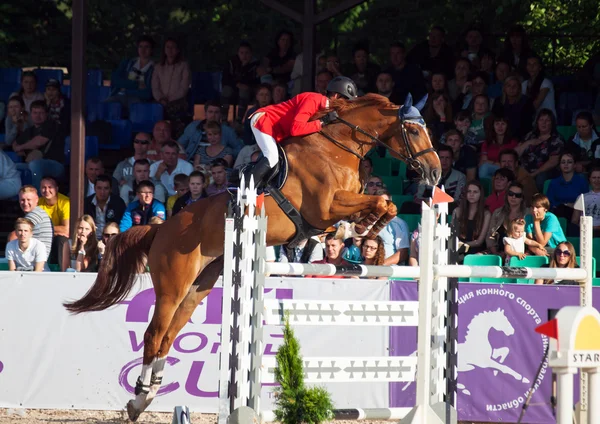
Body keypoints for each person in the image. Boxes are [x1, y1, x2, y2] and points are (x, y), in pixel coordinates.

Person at [248, 76, 358, 188]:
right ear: (336, 96)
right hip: (265, 120)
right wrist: (322, 122)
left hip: (276, 130)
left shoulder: (324, 110)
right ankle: (245, 190)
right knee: (271, 157)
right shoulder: (314, 100)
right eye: (346, 102)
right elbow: (296, 129)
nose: (346, 108)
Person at [13, 100, 65, 189]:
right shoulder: (30, 130)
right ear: (31, 114)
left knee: (35, 164)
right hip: (34, 162)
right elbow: (15, 144)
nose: (37, 116)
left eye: (41, 113)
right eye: (35, 113)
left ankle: (37, 198)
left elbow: (38, 142)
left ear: (46, 114)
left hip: (56, 164)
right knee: (13, 167)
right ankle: (15, 196)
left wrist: (21, 148)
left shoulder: (51, 125)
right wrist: (22, 150)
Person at [516, 108, 564, 191]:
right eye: (541, 120)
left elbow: (553, 162)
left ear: (552, 123)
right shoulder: (531, 135)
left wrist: (534, 174)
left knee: (540, 178)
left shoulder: (556, 139)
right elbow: (514, 153)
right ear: (537, 122)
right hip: (523, 170)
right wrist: (528, 143)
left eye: (547, 120)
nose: (543, 123)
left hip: (541, 172)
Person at [107, 35, 155, 115]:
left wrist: (125, 87)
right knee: (103, 106)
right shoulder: (127, 63)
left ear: (151, 50)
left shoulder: (154, 68)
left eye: (147, 47)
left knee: (135, 111)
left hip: (138, 100)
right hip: (119, 96)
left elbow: (147, 94)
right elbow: (115, 80)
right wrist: (136, 85)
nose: (143, 50)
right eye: (140, 47)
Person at [178, 100, 243, 159]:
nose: (213, 115)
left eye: (216, 112)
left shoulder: (228, 131)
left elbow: (239, 149)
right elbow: (179, 144)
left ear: (220, 115)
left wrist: (226, 153)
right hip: (192, 164)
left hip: (216, 166)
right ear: (205, 113)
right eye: (210, 112)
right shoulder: (193, 126)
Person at [486, 181, 530, 260]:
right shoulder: (498, 212)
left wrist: (525, 254)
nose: (513, 197)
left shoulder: (528, 213)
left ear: (522, 198)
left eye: (517, 195)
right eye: (510, 194)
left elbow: (531, 238)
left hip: (522, 254)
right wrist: (496, 253)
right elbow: (490, 236)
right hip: (498, 252)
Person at [151, 37, 191, 122]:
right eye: (167, 47)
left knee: (171, 110)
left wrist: (169, 99)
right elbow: (155, 86)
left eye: (173, 47)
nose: (170, 50)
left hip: (178, 100)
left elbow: (184, 87)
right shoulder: (158, 67)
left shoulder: (183, 66)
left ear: (177, 50)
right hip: (160, 100)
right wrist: (160, 98)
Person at [8, 186, 54, 259]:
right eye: (22, 200)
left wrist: (11, 258)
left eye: (29, 200)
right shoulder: (38, 212)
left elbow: (13, 236)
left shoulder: (36, 213)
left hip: (35, 261)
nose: (25, 203)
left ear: (36, 200)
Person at [221, 41, 260, 120]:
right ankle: (224, 119)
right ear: (238, 53)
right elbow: (225, 79)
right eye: (242, 53)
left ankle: (239, 120)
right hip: (233, 88)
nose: (244, 55)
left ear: (251, 53)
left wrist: (244, 68)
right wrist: (237, 84)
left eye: (247, 53)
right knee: (226, 90)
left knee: (243, 91)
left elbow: (256, 81)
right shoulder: (231, 63)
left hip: (249, 90)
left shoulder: (256, 65)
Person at [451, 180, 491, 256]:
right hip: (457, 248)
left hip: (476, 251)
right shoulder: (457, 211)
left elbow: (479, 241)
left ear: (480, 194)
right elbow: (452, 234)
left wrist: (463, 245)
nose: (471, 194)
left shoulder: (486, 214)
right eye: (469, 191)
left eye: (475, 192)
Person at [547, 152, 589, 221]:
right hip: (558, 213)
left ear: (574, 165)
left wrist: (574, 206)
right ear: (560, 165)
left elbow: (586, 201)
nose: (566, 164)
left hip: (576, 214)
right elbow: (549, 202)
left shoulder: (582, 182)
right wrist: (565, 204)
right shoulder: (554, 183)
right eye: (563, 162)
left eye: (569, 162)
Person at [38, 176, 70, 267]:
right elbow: (34, 228)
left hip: (58, 238)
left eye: (50, 187)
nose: (46, 190)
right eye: (43, 187)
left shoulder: (65, 202)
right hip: (44, 237)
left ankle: (62, 271)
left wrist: (44, 228)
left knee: (61, 240)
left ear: (56, 189)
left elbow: (66, 230)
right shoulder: (38, 203)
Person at [491, 75, 535, 139]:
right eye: (509, 86)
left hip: (521, 136)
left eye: (515, 86)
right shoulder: (498, 101)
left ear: (519, 88)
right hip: (501, 136)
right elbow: (495, 120)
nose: (512, 88)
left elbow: (527, 125)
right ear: (504, 88)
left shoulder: (526, 101)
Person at [479, 113, 519, 178]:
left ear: (507, 126)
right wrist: (496, 163)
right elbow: (483, 161)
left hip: (507, 168)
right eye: (497, 124)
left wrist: (493, 163)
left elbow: (513, 161)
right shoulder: (487, 142)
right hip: (493, 168)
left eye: (503, 124)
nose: (500, 127)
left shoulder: (513, 143)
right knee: (484, 168)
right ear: (493, 126)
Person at [378, 191, 410, 265]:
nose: (383, 205)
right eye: (379, 201)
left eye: (386, 202)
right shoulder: (367, 222)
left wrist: (380, 266)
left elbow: (403, 253)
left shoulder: (398, 224)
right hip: (368, 267)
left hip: (390, 270)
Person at [522, 55, 556, 119]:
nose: (531, 67)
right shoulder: (524, 84)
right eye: (529, 64)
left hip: (548, 120)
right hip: (533, 120)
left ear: (540, 67)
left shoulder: (546, 83)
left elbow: (535, 105)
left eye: (534, 64)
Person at [572, 168, 600, 236]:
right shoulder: (582, 197)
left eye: (599, 178)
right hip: (583, 231)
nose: (597, 180)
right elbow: (574, 220)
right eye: (594, 178)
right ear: (590, 179)